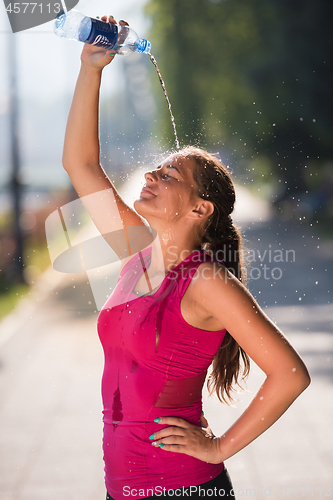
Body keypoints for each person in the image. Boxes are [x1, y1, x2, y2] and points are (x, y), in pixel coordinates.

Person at [61, 15, 311, 500]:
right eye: (155, 169)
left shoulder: (206, 282)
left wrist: (219, 447)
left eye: (169, 175)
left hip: (182, 490)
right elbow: (82, 164)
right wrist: (91, 70)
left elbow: (290, 374)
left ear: (200, 208)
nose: (152, 175)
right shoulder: (136, 251)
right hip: (123, 488)